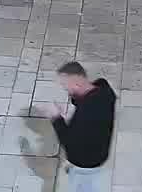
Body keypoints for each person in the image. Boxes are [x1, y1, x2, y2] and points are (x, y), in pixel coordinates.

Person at [39, 61, 116, 191]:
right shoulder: (103, 89)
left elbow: (70, 146)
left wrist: (56, 118)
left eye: (65, 86)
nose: (65, 89)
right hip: (100, 153)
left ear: (77, 84)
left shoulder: (86, 113)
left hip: (86, 164)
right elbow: (84, 99)